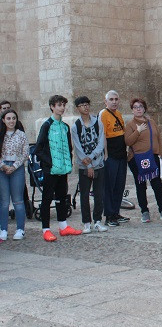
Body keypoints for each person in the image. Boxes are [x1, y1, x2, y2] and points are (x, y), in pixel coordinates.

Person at [34, 95, 82, 241]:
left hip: (63, 169)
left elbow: (68, 146)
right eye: (59, 105)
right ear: (52, 107)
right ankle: (46, 229)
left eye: (63, 105)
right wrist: (50, 163)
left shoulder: (65, 127)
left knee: (62, 197)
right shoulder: (47, 125)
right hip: (51, 170)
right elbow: (39, 148)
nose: (62, 108)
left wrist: (67, 161)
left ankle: (63, 226)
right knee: (47, 198)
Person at [124, 98, 162, 223]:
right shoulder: (130, 125)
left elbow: (159, 138)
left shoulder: (151, 122)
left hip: (152, 156)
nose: (138, 109)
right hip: (136, 159)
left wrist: (160, 154)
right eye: (135, 107)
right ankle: (144, 211)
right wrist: (138, 131)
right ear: (132, 110)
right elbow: (128, 141)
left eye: (140, 106)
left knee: (157, 184)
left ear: (144, 109)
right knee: (140, 185)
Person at [70, 96, 108, 234]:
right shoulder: (76, 126)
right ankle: (86, 222)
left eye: (87, 104)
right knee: (84, 195)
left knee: (99, 194)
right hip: (83, 166)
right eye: (82, 105)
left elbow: (100, 143)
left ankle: (97, 220)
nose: (85, 107)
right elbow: (78, 147)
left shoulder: (98, 123)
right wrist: (87, 165)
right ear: (78, 108)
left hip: (98, 163)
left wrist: (91, 159)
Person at [100, 90, 130, 227]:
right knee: (109, 186)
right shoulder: (103, 114)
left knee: (119, 185)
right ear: (106, 102)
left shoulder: (119, 114)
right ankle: (109, 215)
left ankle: (116, 212)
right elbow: (103, 136)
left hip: (121, 155)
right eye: (111, 99)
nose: (114, 102)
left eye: (116, 99)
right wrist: (105, 155)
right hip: (110, 155)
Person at [0, 109, 29, 241]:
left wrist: (14, 166)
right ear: (3, 120)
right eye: (8, 118)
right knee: (4, 201)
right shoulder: (1, 135)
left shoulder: (21, 135)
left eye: (13, 118)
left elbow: (25, 152)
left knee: (18, 200)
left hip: (17, 168)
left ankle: (20, 229)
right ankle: (3, 229)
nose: (11, 121)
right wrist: (3, 165)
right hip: (2, 168)